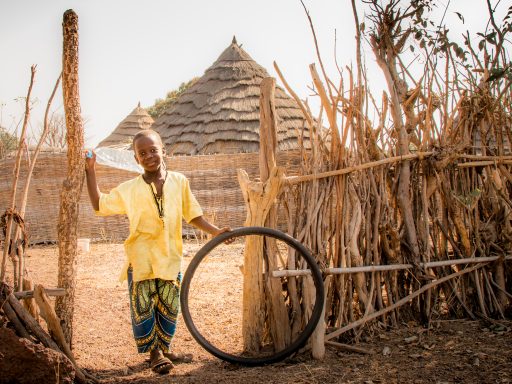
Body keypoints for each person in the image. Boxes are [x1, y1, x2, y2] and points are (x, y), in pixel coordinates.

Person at [85, 129, 231, 374]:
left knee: (169, 307)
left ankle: (165, 347)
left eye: (153, 150)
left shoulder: (179, 181)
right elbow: (99, 204)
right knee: (143, 308)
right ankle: (155, 354)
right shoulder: (129, 188)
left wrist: (215, 231)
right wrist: (90, 170)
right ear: (136, 159)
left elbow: (192, 214)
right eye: (142, 153)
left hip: (169, 256)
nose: (149, 155)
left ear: (163, 151)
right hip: (141, 259)